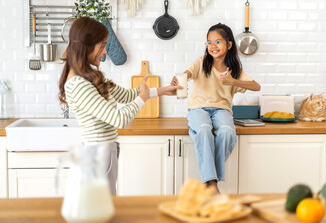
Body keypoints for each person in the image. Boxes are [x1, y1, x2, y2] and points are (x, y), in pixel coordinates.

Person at [58, 17, 181, 195]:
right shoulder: (78, 84)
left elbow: (125, 95)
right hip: (98, 152)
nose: (105, 51)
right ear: (87, 45)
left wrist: (162, 91)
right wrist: (142, 100)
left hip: (103, 150)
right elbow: (119, 119)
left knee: (103, 203)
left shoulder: (88, 77)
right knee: (104, 204)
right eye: (102, 45)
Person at [171, 23, 260, 193]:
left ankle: (207, 178)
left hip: (222, 110)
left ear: (229, 44)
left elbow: (256, 86)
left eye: (218, 42)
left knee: (227, 131)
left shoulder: (234, 70)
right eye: (209, 42)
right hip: (198, 108)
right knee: (204, 128)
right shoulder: (201, 62)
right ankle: (212, 183)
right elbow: (187, 73)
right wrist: (179, 79)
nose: (213, 46)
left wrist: (232, 81)